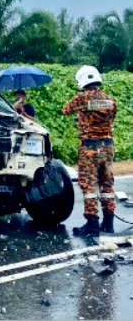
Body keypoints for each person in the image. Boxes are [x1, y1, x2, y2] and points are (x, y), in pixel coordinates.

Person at [63, 65, 117, 236]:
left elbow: (65, 110)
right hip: (107, 147)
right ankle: (108, 222)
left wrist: (82, 119)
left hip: (90, 148)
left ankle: (92, 224)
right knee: (106, 184)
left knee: (89, 186)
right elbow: (109, 119)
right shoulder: (110, 100)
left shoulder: (82, 98)